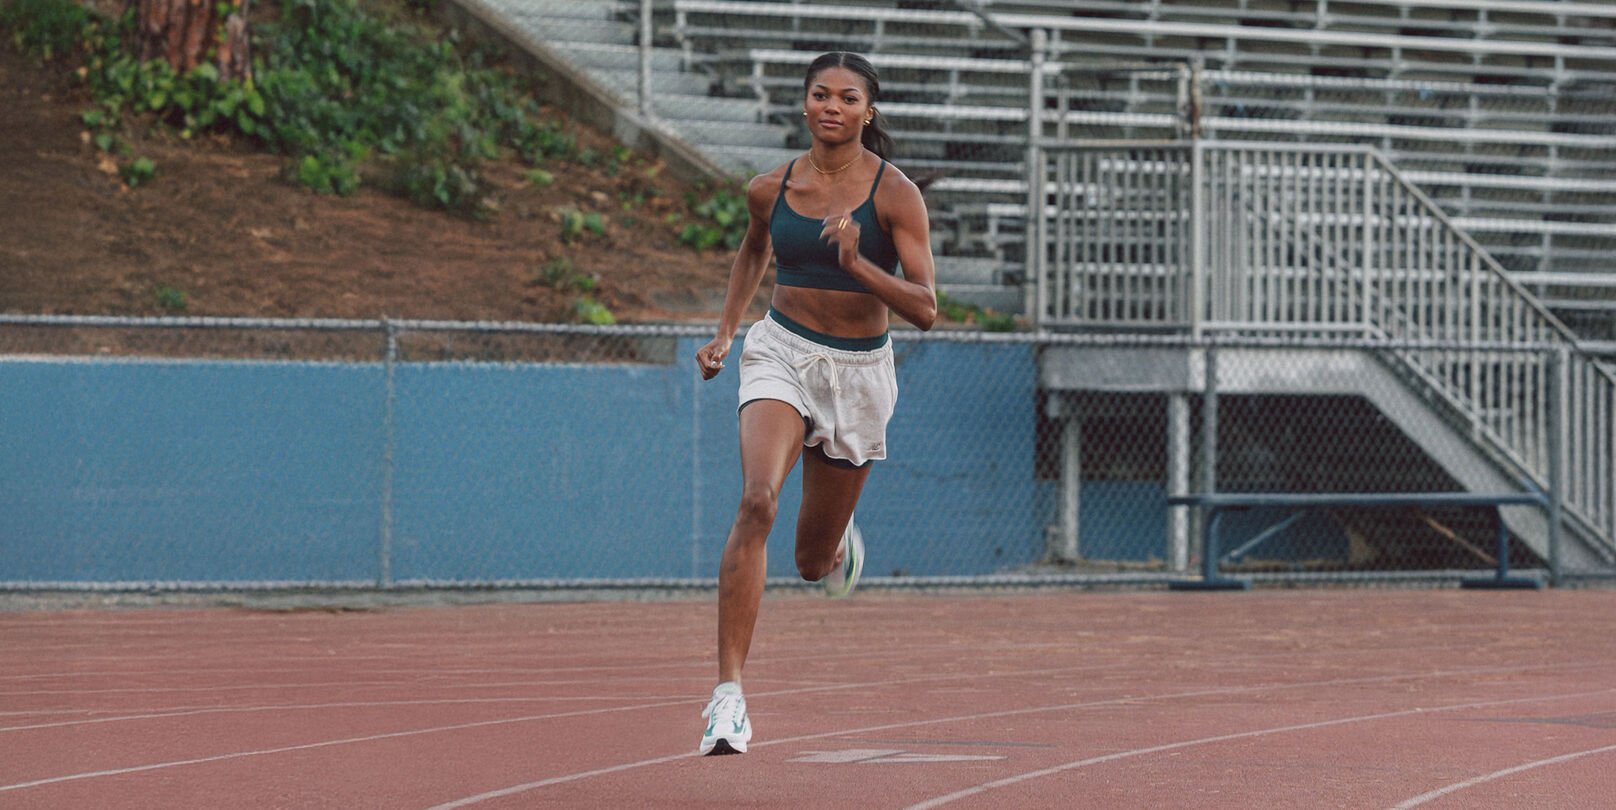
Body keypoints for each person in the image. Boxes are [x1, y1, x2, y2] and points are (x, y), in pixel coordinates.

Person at [692, 51, 937, 756]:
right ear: (804, 105)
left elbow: (926, 308)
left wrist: (859, 265)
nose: (832, 106)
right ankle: (728, 697)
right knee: (757, 501)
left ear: (868, 111)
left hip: (860, 374)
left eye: (847, 97)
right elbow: (753, 252)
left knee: (806, 559)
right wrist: (726, 332)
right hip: (783, 351)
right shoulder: (769, 189)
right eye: (820, 95)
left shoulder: (895, 196)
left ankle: (836, 552)